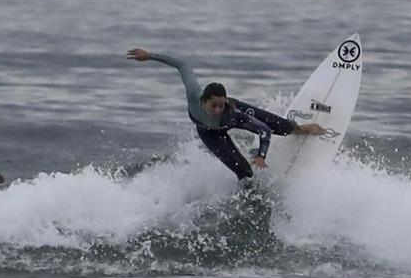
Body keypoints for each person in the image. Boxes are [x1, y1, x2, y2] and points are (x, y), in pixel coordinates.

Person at [127, 48, 324, 180]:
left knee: (283, 128)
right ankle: (249, 199)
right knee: (244, 173)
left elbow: (263, 130)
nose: (218, 110)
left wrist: (262, 156)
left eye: (221, 105)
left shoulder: (231, 113)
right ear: (203, 100)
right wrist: (150, 55)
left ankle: (301, 128)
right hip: (209, 132)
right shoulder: (193, 94)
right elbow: (182, 65)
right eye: (214, 105)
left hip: (233, 118)